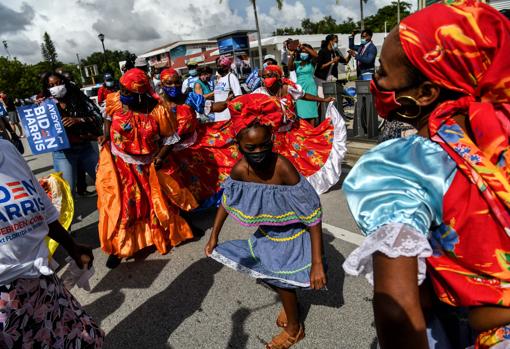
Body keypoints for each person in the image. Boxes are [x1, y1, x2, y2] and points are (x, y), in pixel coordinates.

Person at [341, 2, 510, 348]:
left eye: (384, 72)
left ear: (425, 93)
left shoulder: (408, 165)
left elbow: (397, 311)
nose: (378, 82)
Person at [205, 96, 326, 348]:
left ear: (272, 141)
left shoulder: (282, 167)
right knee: (269, 276)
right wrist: (214, 234)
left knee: (280, 278)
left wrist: (317, 263)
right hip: (266, 235)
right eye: (251, 148)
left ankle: (294, 329)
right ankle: (290, 304)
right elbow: (227, 200)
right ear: (238, 145)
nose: (259, 152)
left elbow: (313, 215)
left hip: (293, 235)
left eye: (264, 145)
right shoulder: (240, 170)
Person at [0, 139, 104, 348]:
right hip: (5, 305)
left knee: (86, 340)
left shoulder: (6, 148)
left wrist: (72, 246)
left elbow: (44, 206)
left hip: (43, 284)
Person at [96, 68, 198, 269]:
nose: (122, 95)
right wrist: (106, 135)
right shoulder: (115, 100)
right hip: (121, 163)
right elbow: (107, 118)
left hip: (149, 163)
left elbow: (170, 139)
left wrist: (160, 158)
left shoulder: (158, 110)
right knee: (124, 205)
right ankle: (120, 247)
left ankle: (172, 231)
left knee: (158, 201)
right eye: (122, 90)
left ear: (141, 94)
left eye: (128, 92)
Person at [41, 72, 102, 197]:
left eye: (58, 83)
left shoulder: (78, 97)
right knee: (66, 192)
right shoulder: (46, 104)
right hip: (63, 153)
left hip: (85, 148)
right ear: (47, 88)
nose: (56, 87)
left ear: (64, 82)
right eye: (51, 85)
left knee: (104, 181)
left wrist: (79, 120)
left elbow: (98, 116)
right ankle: (67, 216)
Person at [288, 44, 320, 125]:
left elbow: (316, 56)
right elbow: (289, 67)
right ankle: (303, 131)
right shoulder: (297, 63)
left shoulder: (312, 62)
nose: (303, 53)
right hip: (299, 88)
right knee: (301, 111)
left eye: (305, 52)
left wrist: (305, 47)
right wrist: (293, 54)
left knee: (311, 110)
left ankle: (312, 130)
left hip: (310, 87)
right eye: (302, 52)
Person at [213, 55, 243, 122]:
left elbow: (238, 96)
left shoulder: (231, 77)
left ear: (226, 67)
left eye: (220, 66)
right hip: (218, 117)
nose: (218, 68)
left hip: (228, 116)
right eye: (217, 66)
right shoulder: (220, 79)